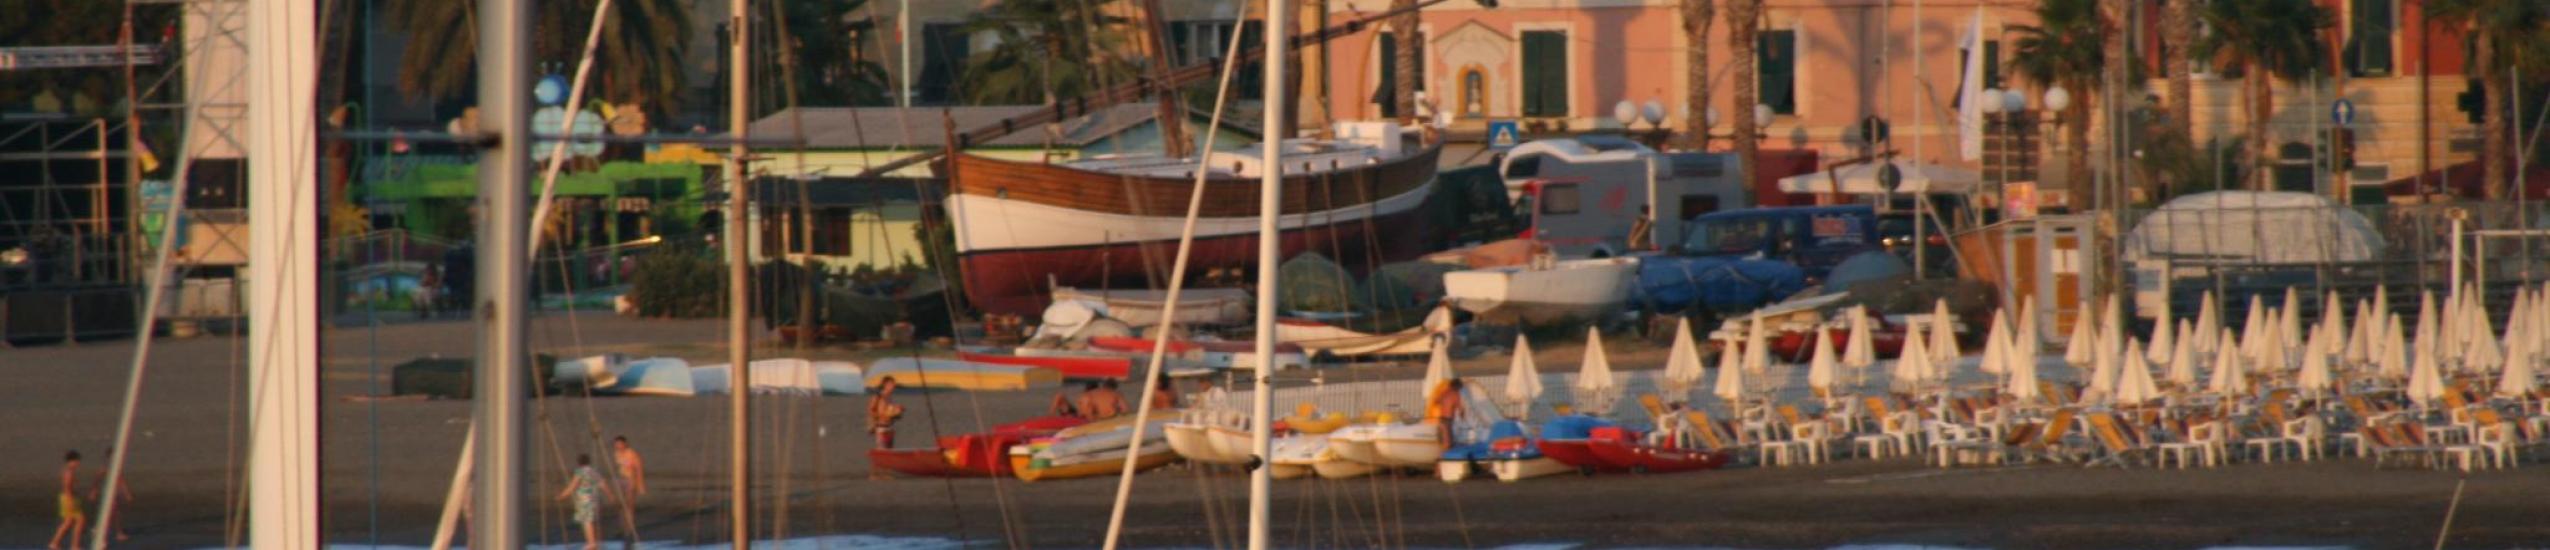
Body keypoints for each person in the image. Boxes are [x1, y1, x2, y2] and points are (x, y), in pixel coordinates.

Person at [555, 454, 603, 550]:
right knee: (591, 520)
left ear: (579, 463)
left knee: (586, 521)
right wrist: (611, 496)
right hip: (595, 499)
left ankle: (591, 543)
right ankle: (595, 542)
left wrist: (562, 496)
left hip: (584, 500)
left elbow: (573, 486)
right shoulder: (594, 471)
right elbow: (603, 484)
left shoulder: (580, 472)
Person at [91, 447, 132, 544]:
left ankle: (99, 528)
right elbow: (97, 477)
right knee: (114, 512)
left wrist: (126, 492)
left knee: (113, 512)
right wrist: (94, 490)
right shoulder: (107, 467)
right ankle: (117, 533)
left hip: (114, 492)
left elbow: (120, 479)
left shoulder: (115, 466)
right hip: (108, 492)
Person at [867, 377, 904, 479]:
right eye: (891, 385)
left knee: (889, 451)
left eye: (893, 385)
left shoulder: (889, 397)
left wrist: (896, 413)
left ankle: (885, 473)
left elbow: (889, 411)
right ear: (885, 385)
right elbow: (871, 410)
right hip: (881, 426)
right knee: (881, 451)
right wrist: (880, 417)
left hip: (889, 426)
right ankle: (875, 474)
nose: (893, 387)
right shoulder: (878, 396)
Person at [611, 436, 645, 539]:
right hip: (620, 479)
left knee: (629, 505)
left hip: (631, 480)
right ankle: (622, 528)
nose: (618, 446)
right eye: (616, 444)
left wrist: (640, 485)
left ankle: (630, 529)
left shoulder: (632, 454)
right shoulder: (616, 454)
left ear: (625, 444)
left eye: (620, 444)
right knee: (621, 504)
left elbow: (639, 469)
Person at [51, 450, 84, 550]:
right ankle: (74, 545)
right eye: (77, 461)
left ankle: (55, 543)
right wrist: (70, 501)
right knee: (80, 520)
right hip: (69, 498)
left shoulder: (68, 470)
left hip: (69, 497)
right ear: (71, 461)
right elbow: (67, 487)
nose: (78, 463)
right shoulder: (68, 472)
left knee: (69, 522)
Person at [1426, 379, 1467, 447]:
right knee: (1447, 436)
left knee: (1443, 435)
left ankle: (1443, 449)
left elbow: (1436, 402)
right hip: (1448, 418)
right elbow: (1460, 408)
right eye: (1459, 388)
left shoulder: (1443, 392)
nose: (1459, 389)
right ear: (1456, 386)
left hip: (1441, 417)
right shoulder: (1455, 394)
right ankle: (1447, 450)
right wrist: (1462, 415)